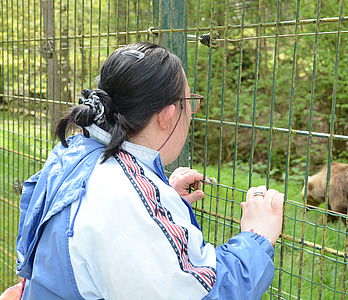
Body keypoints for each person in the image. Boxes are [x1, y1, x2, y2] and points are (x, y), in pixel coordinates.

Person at [12, 42, 284, 300]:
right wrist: (256, 237)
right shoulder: (122, 197)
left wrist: (159, 201)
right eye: (189, 100)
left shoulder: (75, 153)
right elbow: (205, 293)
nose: (191, 111)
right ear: (167, 115)